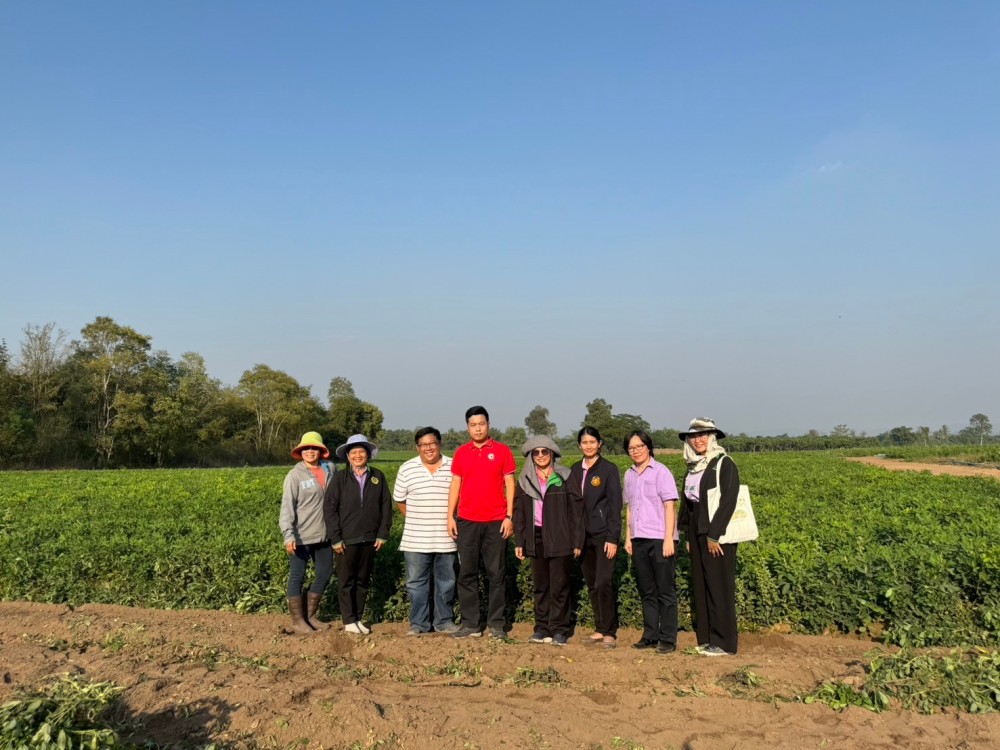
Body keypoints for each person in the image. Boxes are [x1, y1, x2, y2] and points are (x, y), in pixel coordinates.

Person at [447, 406, 517, 640]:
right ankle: (470, 624)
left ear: (488, 424)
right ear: (468, 427)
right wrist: (450, 516)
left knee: (496, 574)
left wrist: (509, 516)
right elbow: (456, 484)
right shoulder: (461, 453)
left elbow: (510, 484)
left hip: (496, 522)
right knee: (467, 573)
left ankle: (496, 624)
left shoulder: (502, 451)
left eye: (482, 424)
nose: (478, 428)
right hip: (467, 521)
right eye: (473, 425)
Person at [513, 436, 585, 646]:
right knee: (541, 586)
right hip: (535, 537)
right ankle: (542, 628)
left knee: (560, 585)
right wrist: (520, 541)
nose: (541, 456)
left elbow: (576, 511)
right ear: (531, 456)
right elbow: (519, 513)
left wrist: (577, 540)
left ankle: (560, 630)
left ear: (552, 454)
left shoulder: (565, 476)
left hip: (560, 537)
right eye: (536, 452)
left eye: (545, 452)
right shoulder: (525, 479)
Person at [678, 418, 741, 656]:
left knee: (718, 585)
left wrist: (714, 535)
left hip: (715, 531)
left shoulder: (724, 464)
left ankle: (724, 642)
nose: (698, 440)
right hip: (697, 530)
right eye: (694, 436)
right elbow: (689, 504)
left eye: (703, 435)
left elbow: (728, 501)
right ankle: (707, 638)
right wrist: (687, 535)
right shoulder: (693, 466)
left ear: (712, 438)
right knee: (702, 584)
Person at [393, 427, 459, 635]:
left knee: (446, 582)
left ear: (440, 444)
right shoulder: (407, 468)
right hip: (415, 538)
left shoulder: (454, 466)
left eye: (432, 443)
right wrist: (416, 517)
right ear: (417, 448)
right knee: (416, 583)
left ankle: (444, 622)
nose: (428, 448)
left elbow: (461, 497)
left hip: (447, 537)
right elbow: (399, 500)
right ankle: (419, 624)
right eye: (424, 445)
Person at [326, 433, 392, 635]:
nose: (357, 455)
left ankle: (358, 618)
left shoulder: (377, 477)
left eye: (361, 451)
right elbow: (330, 509)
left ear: (367, 454)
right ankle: (348, 620)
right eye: (353, 452)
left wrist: (382, 534)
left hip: (370, 538)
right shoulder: (339, 478)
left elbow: (386, 506)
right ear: (347, 456)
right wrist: (335, 538)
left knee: (363, 580)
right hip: (346, 539)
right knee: (347, 580)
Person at [623, 429, 679, 654]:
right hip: (639, 539)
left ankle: (667, 638)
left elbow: (669, 505)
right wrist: (628, 536)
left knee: (665, 590)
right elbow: (629, 507)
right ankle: (650, 635)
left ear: (648, 447)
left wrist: (668, 538)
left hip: (659, 539)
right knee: (646, 590)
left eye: (639, 446)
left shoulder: (661, 472)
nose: (635, 451)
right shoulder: (628, 474)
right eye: (631, 448)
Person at [567, 426, 623, 648]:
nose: (588, 446)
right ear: (579, 445)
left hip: (602, 536)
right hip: (582, 537)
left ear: (599, 444)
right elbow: (572, 505)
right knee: (591, 583)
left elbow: (614, 505)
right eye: (584, 442)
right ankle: (600, 629)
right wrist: (574, 538)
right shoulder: (574, 470)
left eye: (592, 442)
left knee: (603, 582)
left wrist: (612, 537)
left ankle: (609, 632)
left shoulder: (608, 469)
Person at [279, 431, 337, 634]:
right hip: (301, 536)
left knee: (325, 573)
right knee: (297, 576)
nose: (310, 452)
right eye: (306, 449)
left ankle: (311, 615)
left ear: (321, 451)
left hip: (325, 534)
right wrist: (288, 535)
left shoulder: (330, 468)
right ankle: (298, 621)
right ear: (301, 452)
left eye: (314, 448)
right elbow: (287, 508)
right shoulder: (294, 475)